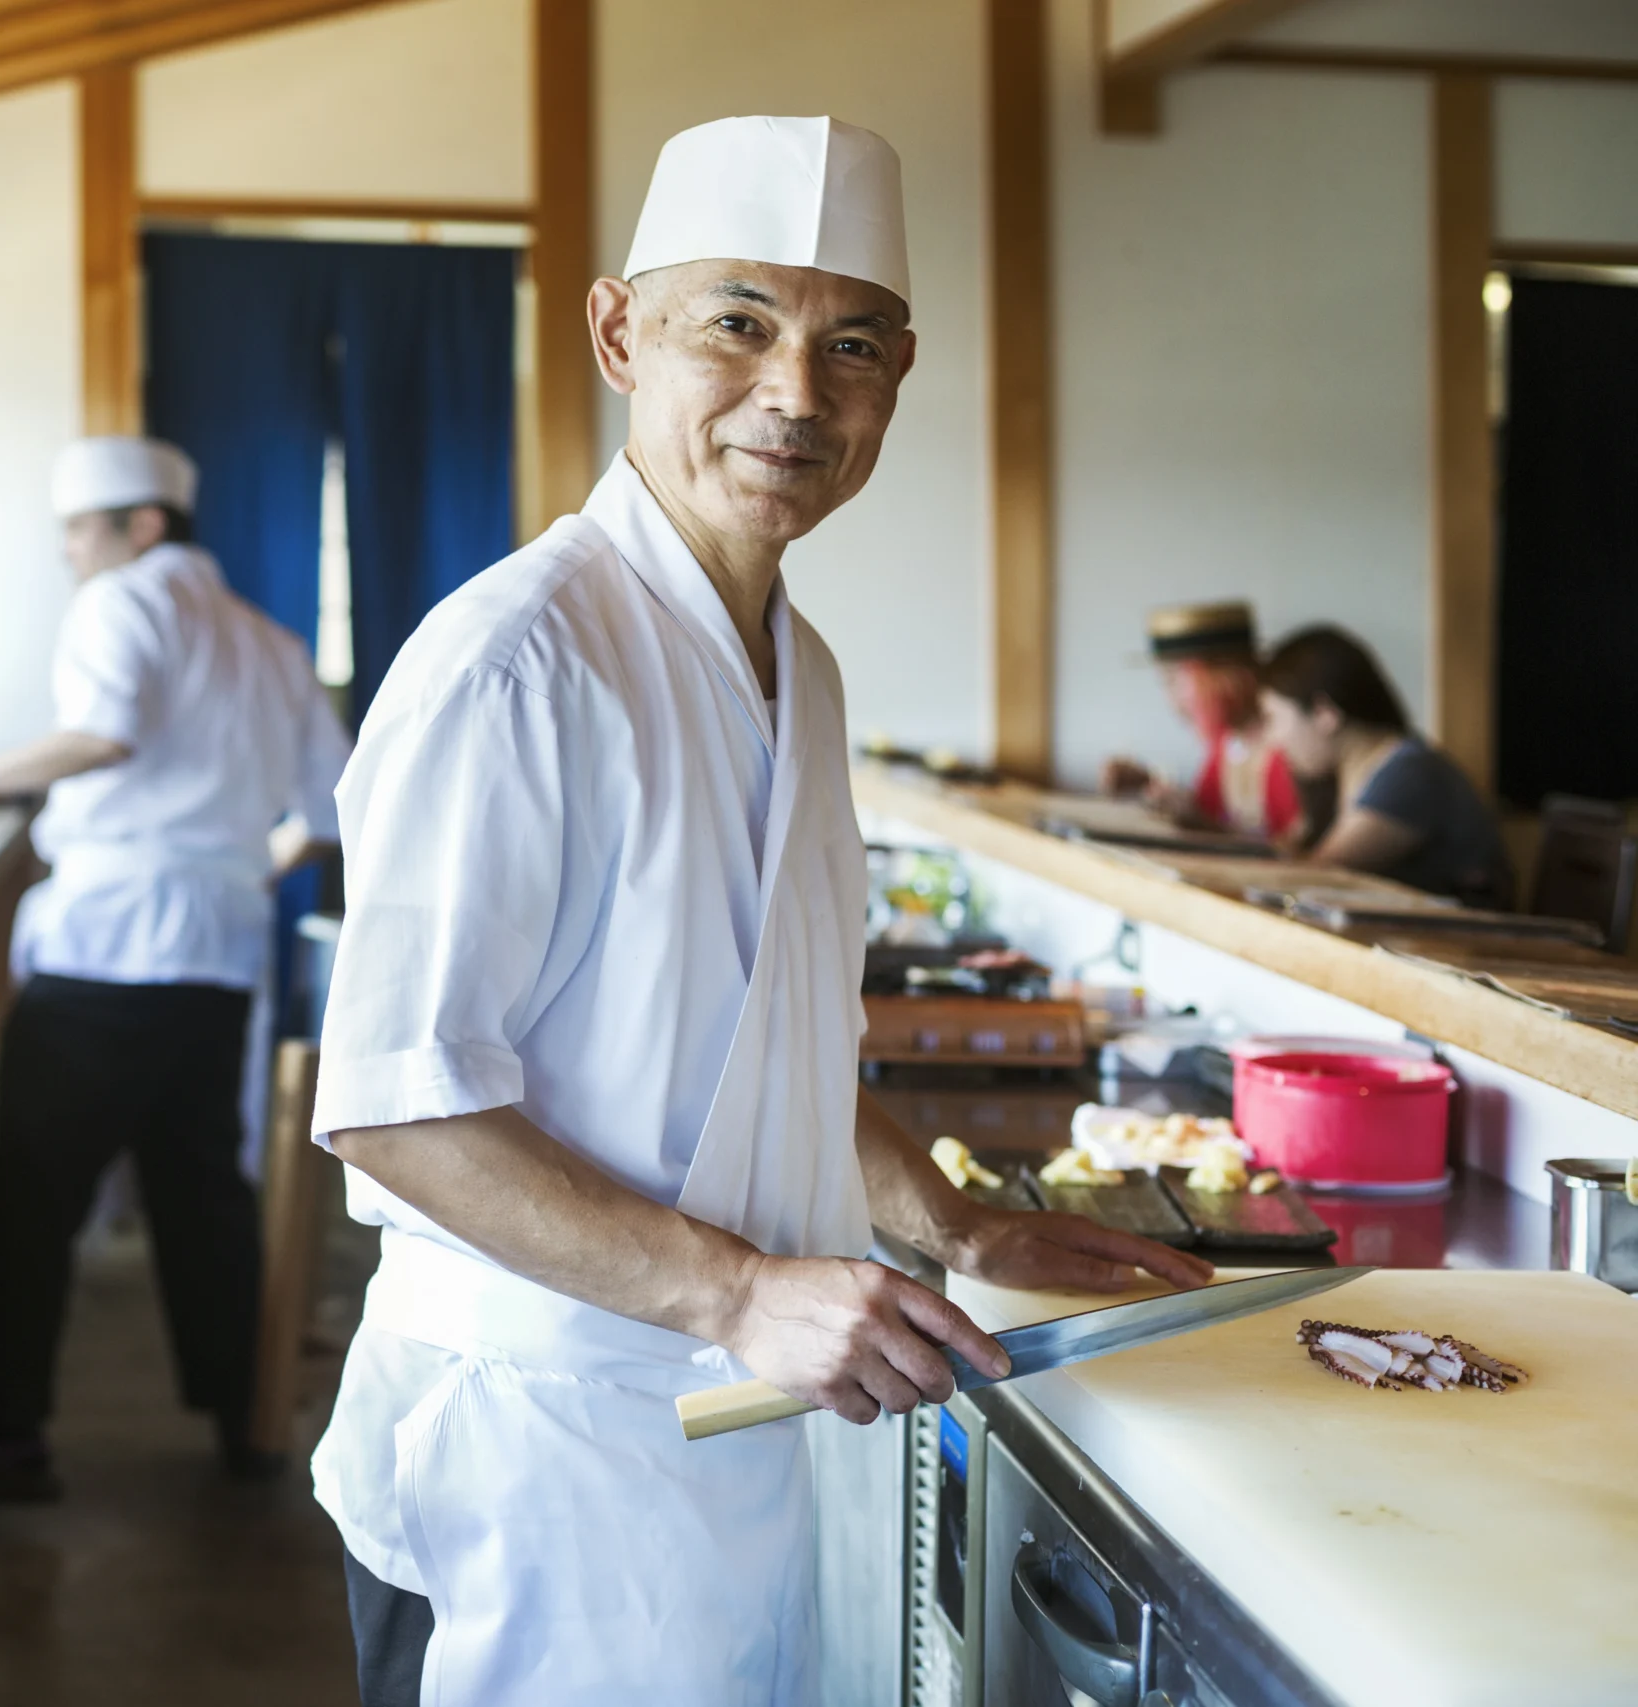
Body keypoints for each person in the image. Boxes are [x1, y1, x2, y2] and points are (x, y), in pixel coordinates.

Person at [305, 116, 1212, 1706]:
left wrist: (958, 1220)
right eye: (737, 322)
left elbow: (771, 1040)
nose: (797, 392)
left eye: (848, 343)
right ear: (616, 332)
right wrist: (736, 1288)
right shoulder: (520, 658)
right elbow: (396, 1110)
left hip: (725, 1430)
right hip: (539, 1444)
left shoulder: (804, 664)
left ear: (900, 374)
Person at [0, 435, 351, 1502]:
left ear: (142, 528)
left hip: (109, 949)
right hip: (217, 952)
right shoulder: (269, 642)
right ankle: (244, 1425)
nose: (67, 553)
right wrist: (231, 866)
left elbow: (100, 734)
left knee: (34, 1193)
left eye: (79, 531)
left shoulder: (125, 602)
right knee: (202, 1192)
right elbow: (328, 810)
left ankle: (10, 1442)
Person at [1258, 624, 1514, 909]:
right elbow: (1287, 849)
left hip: (1464, 946)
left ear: (1324, 713)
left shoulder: (1409, 773)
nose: (1273, 739)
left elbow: (1319, 873)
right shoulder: (1345, 773)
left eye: (1273, 719)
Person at [1100, 600, 1300, 837]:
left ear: (1228, 677)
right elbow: (1217, 820)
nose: (1172, 701)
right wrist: (1147, 783)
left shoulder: (1295, 747)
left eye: (1173, 680)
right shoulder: (1227, 746)